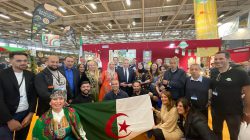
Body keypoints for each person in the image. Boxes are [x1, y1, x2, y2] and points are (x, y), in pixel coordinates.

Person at [210, 51, 250, 140]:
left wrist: (247, 109)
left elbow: (247, 91)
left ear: (228, 59)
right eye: (216, 59)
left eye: (221, 58)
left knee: (234, 135)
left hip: (233, 112)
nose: (217, 61)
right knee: (216, 132)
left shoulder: (240, 73)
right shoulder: (214, 72)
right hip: (216, 111)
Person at [0, 52, 37, 139]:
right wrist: (9, 120)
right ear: (10, 61)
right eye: (19, 61)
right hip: (7, 115)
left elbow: (33, 96)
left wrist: (31, 114)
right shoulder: (2, 75)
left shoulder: (30, 75)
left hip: (25, 114)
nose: (23, 63)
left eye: (25, 60)